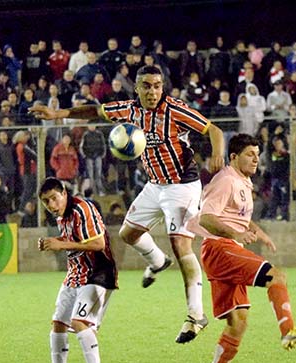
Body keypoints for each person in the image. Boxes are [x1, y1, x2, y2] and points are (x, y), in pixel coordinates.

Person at [31, 65, 225, 344]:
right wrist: (58, 114)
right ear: (137, 88)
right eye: (147, 85)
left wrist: (218, 153)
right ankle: (158, 262)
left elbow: (213, 130)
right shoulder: (128, 110)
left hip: (182, 185)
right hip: (155, 185)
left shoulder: (175, 110)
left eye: (157, 85)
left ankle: (196, 315)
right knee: (128, 234)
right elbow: (94, 111)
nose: (153, 91)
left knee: (181, 243)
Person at [188, 134, 296, 363]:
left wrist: (257, 231)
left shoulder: (241, 181)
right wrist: (236, 235)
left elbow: (235, 216)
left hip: (222, 250)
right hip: (220, 248)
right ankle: (288, 331)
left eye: (257, 154)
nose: (255, 159)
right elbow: (206, 218)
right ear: (233, 157)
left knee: (238, 323)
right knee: (277, 276)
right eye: (249, 154)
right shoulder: (226, 180)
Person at [38, 177, 118, 363]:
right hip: (75, 274)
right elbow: (73, 241)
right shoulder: (61, 217)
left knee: (78, 321)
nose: (52, 205)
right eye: (46, 202)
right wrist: (53, 243)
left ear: (64, 192)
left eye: (54, 198)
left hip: (98, 274)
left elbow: (98, 244)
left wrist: (61, 244)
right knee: (58, 324)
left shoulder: (83, 208)